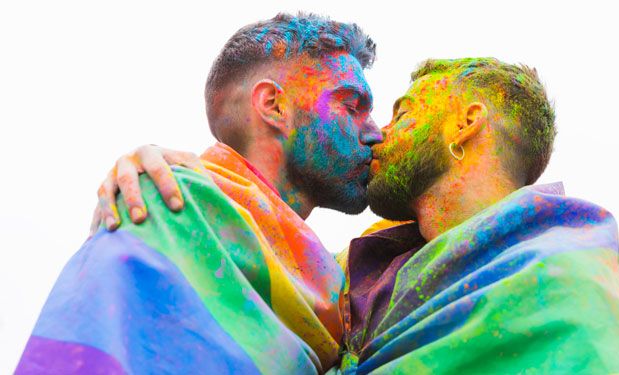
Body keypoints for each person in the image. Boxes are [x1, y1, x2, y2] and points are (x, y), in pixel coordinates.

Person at [91, 59, 619, 373]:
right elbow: (241, 268)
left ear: (466, 124)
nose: (377, 134)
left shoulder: (564, 269)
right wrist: (176, 174)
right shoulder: (349, 278)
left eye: (403, 112)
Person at [16, 13, 381, 374]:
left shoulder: (345, 284)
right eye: (352, 106)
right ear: (273, 106)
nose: (375, 133)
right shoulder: (162, 209)